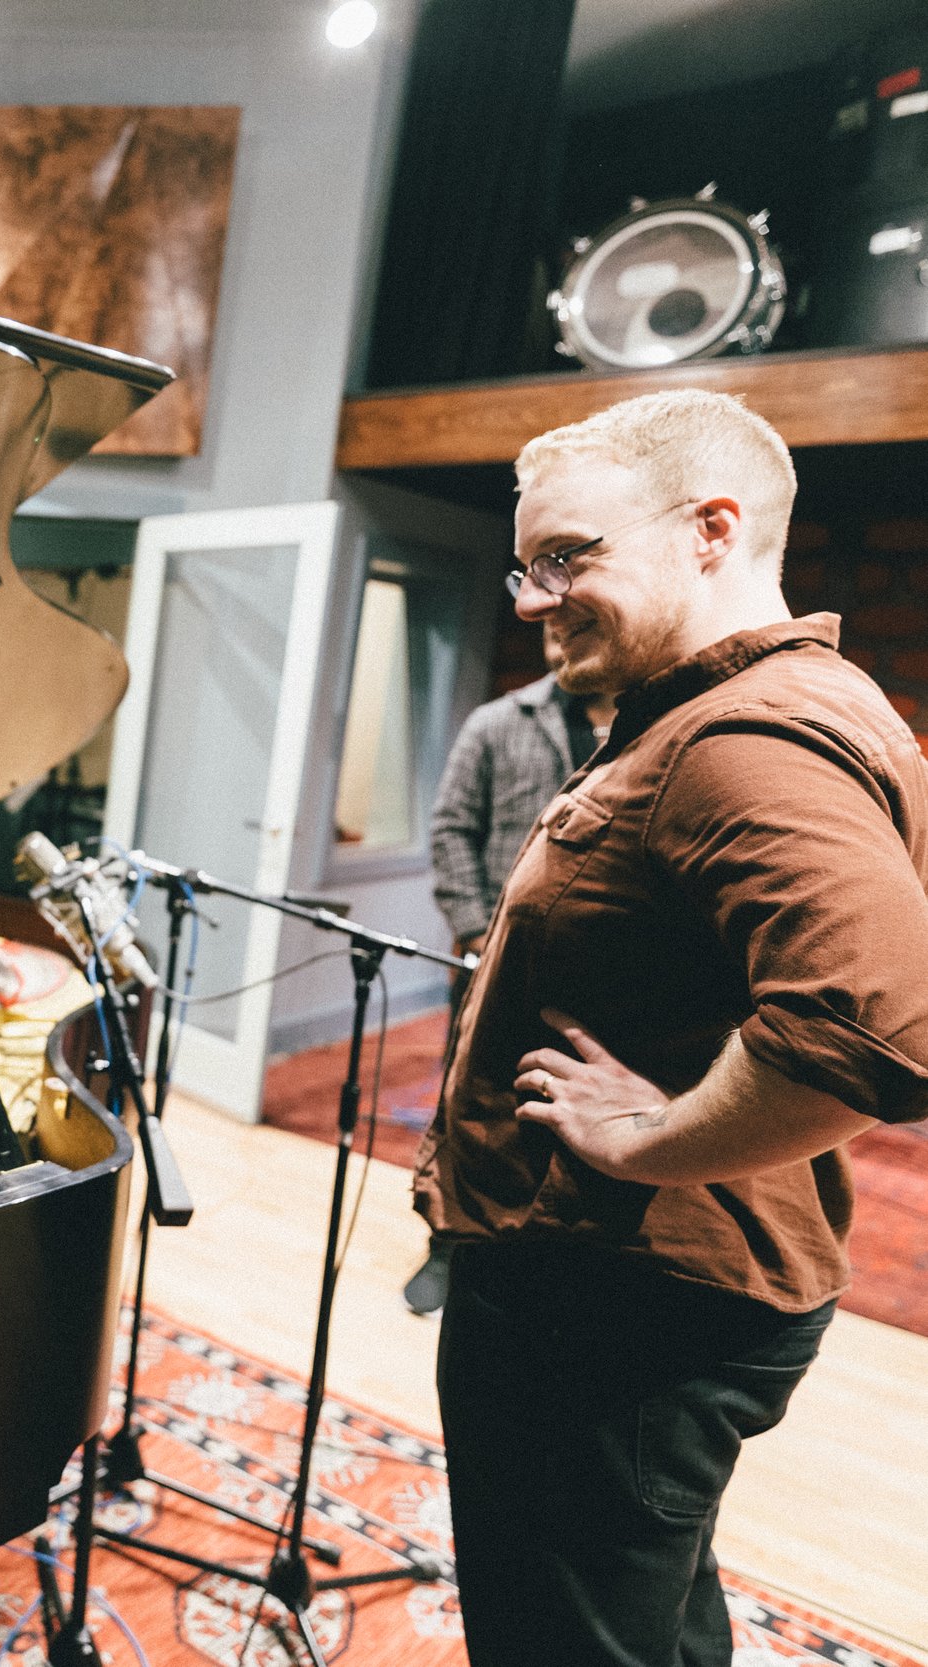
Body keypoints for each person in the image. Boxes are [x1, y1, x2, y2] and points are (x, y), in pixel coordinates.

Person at [412, 389, 928, 1667]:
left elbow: (874, 1033)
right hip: (626, 1298)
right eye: (528, 564)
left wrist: (649, 1139)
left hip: (610, 1308)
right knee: (648, 1623)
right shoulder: (723, 709)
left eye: (568, 556)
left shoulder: (741, 738)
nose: (532, 598)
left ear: (711, 527)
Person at [404, 635, 617, 1315]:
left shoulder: (655, 730)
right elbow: (451, 831)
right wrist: (475, 933)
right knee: (471, 1106)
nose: (554, 634)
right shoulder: (496, 723)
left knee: (565, 1113)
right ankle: (447, 1243)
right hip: (489, 965)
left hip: (595, 978)